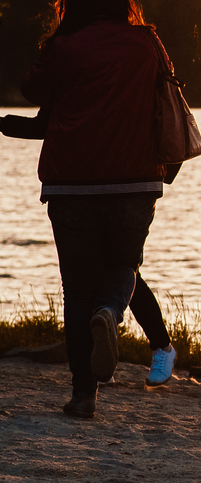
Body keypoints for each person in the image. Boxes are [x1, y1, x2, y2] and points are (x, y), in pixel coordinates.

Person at [19, 0, 175, 417]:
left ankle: (83, 394)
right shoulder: (147, 43)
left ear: (74, 2)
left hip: (71, 184)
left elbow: (31, 89)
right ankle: (111, 310)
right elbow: (168, 98)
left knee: (76, 289)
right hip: (135, 179)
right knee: (124, 264)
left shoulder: (65, 46)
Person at [2, 109, 178, 389]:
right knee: (113, 269)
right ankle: (125, 354)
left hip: (125, 179)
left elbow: (37, 104)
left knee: (117, 269)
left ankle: (157, 348)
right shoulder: (92, 70)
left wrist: (5, 123)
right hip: (93, 181)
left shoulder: (126, 67)